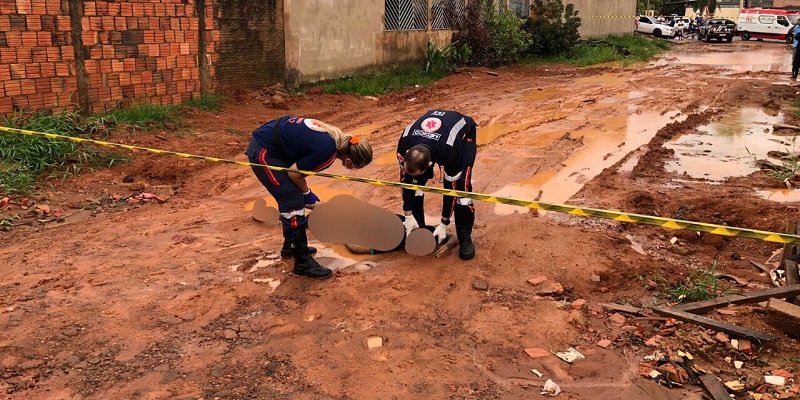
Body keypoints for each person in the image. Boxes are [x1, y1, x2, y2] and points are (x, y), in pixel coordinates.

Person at [245, 116, 373, 278]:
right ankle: (302, 262)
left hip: (272, 142)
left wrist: (310, 198)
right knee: (293, 203)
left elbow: (296, 172)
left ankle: (291, 248)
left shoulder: (334, 136)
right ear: (349, 161)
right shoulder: (327, 153)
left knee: (294, 197)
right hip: (264, 151)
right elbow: (295, 174)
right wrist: (308, 196)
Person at [395, 110, 478, 260]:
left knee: (461, 189)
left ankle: (465, 238)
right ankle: (419, 227)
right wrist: (408, 214)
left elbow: (450, 189)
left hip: (463, 137)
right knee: (415, 182)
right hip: (434, 141)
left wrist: (444, 223)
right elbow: (406, 181)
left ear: (430, 164)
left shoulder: (450, 150)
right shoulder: (404, 143)